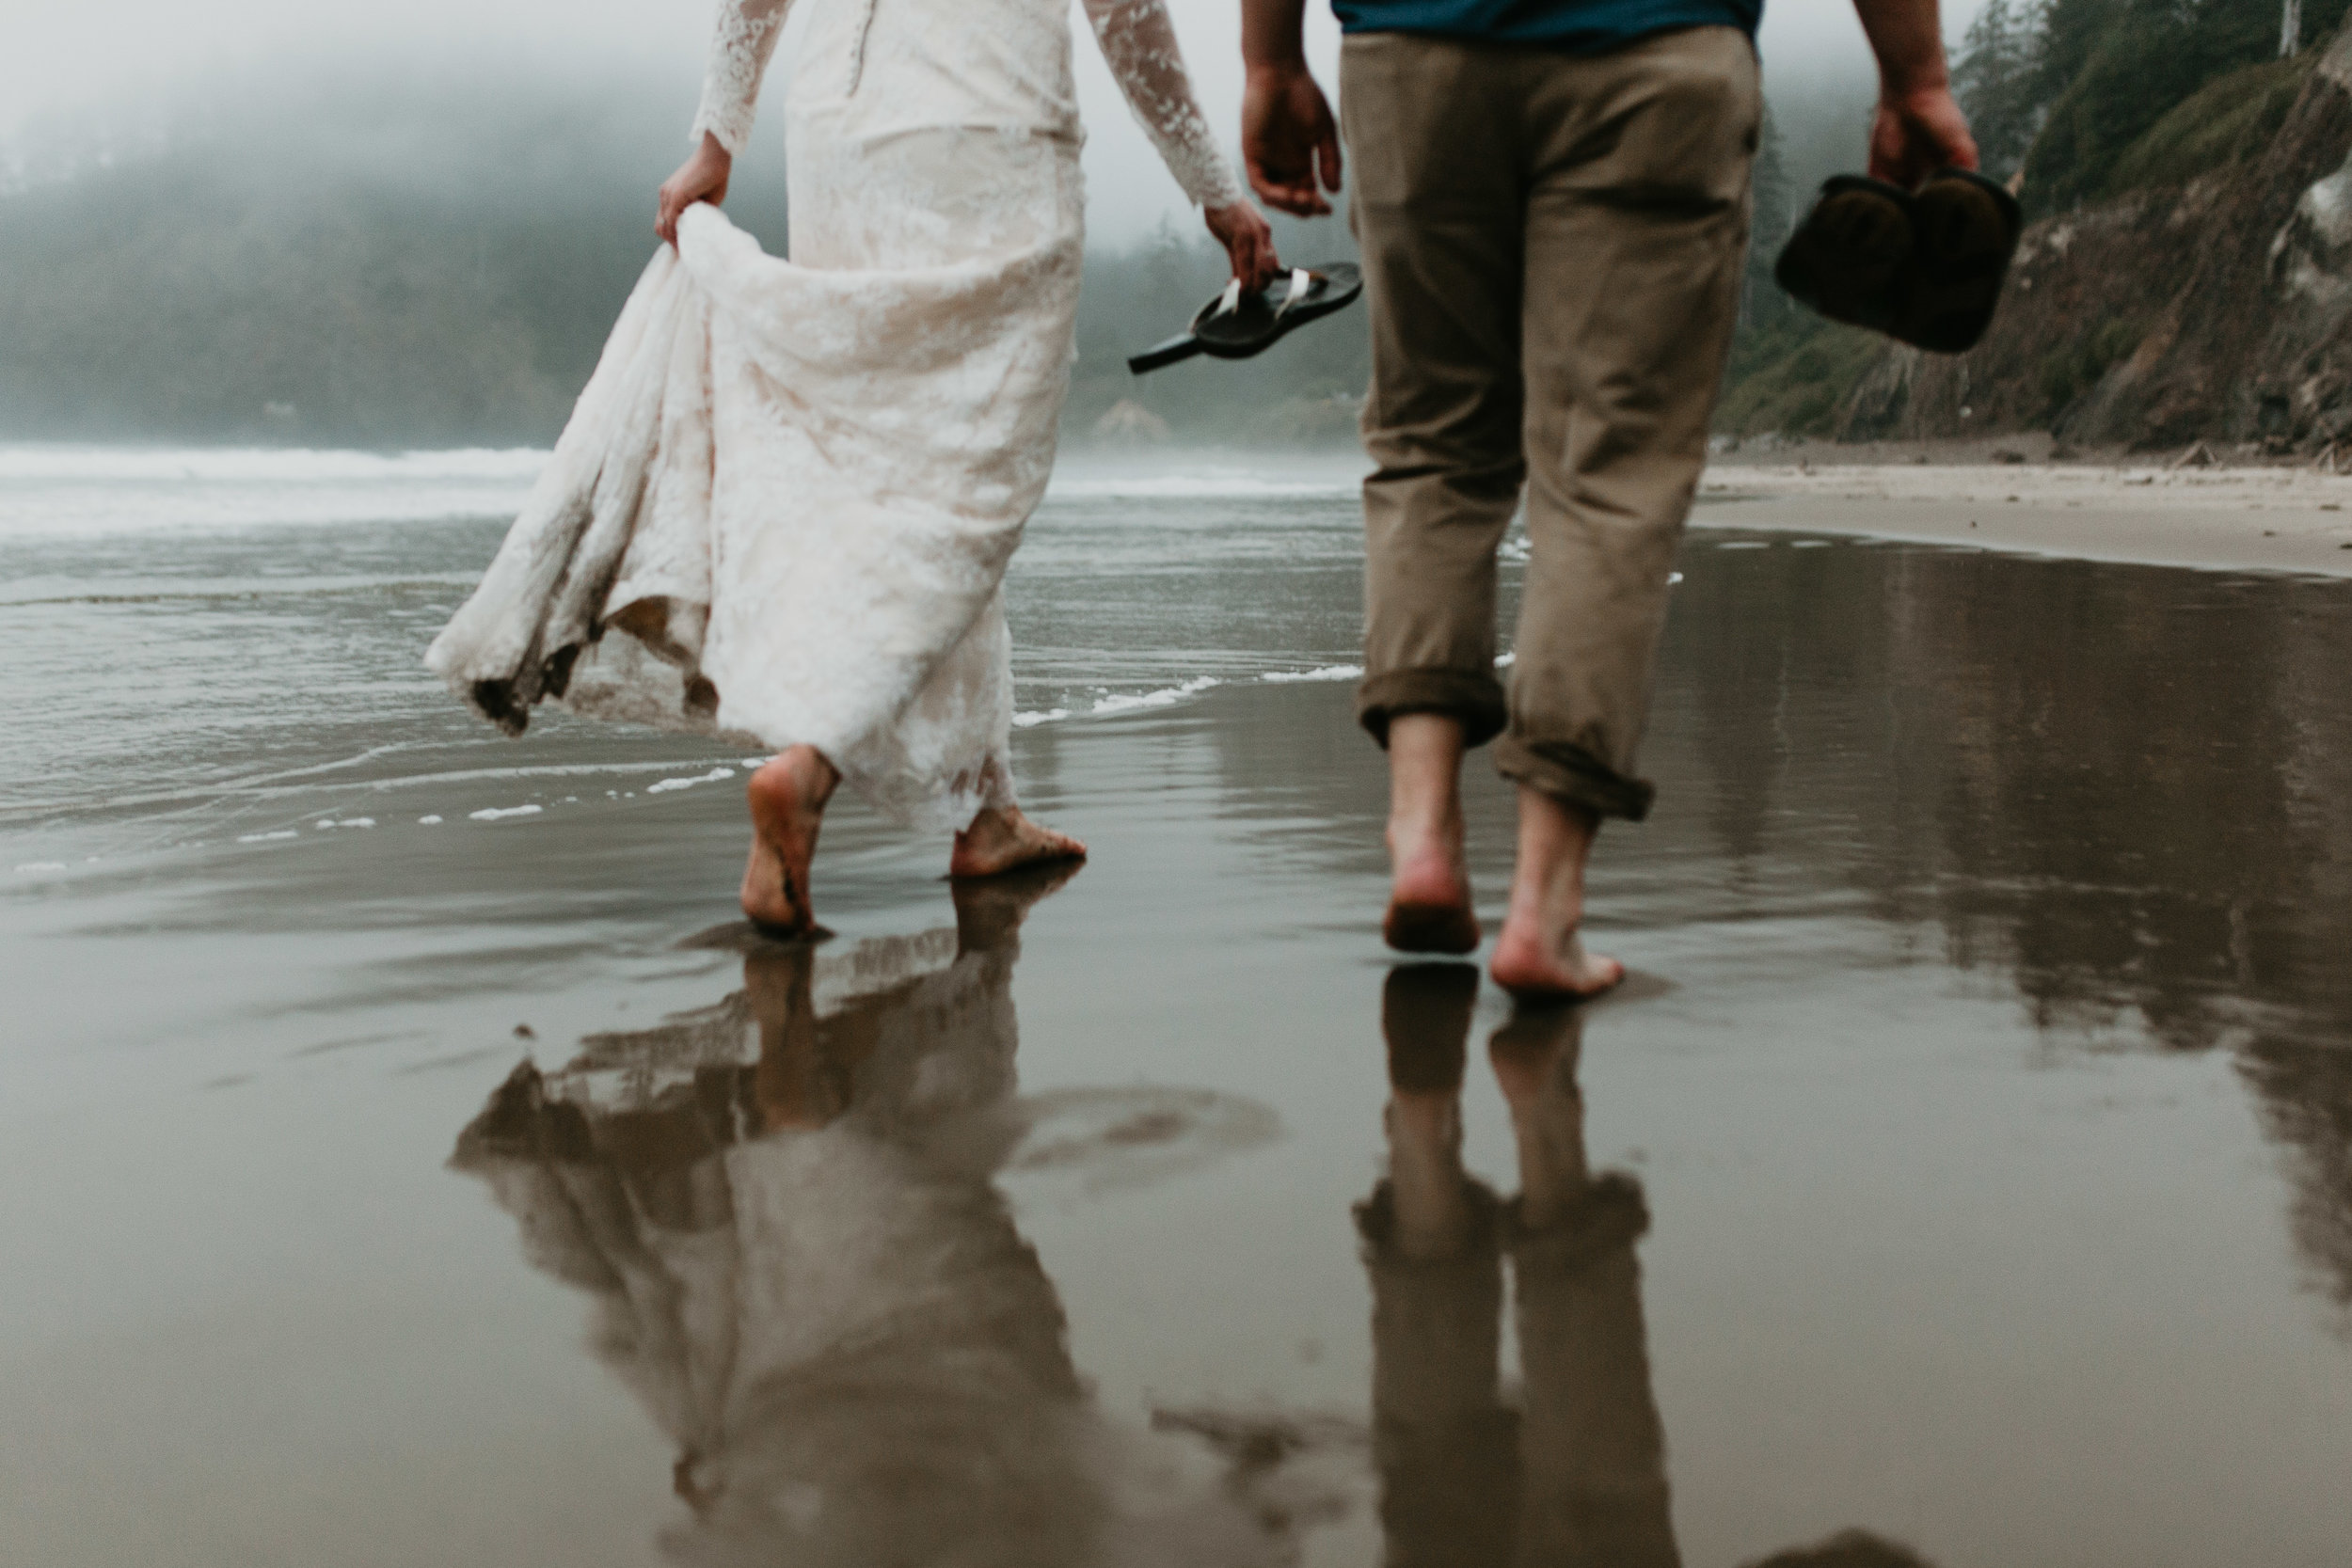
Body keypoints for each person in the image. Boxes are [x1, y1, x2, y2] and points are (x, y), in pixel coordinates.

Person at [428, 0, 1279, 934]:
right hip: (984, 116)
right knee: (967, 476)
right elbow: (1127, 9)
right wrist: (1210, 186)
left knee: (889, 460)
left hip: (839, 124)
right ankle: (811, 765)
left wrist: (718, 137)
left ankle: (986, 808)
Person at [1239, 0, 1977, 996]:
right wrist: (1913, 77)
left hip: (1416, 49)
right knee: (1609, 477)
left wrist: (1271, 56)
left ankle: (1422, 833)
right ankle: (1542, 909)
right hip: (1659, 49)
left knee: (1431, 445)